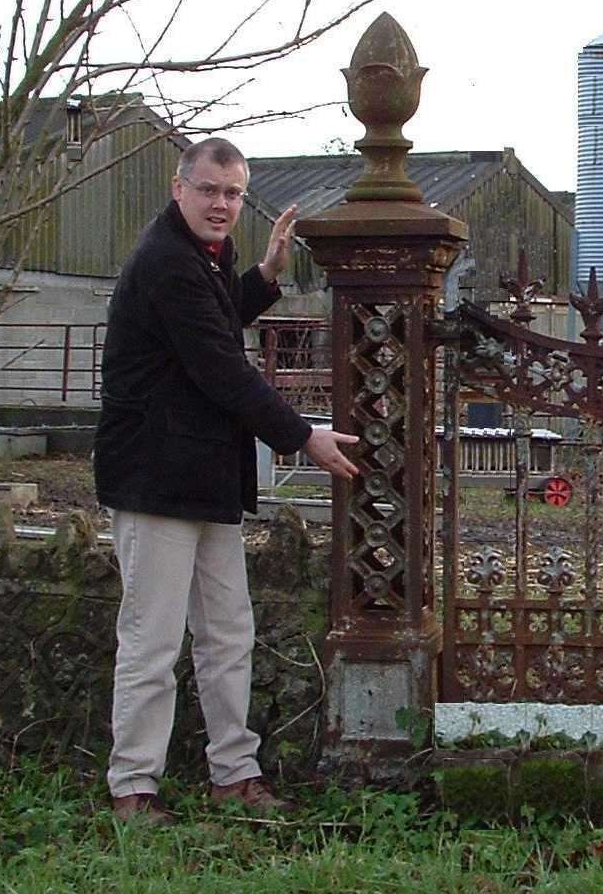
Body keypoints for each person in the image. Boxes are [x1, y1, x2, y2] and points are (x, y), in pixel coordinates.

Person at [94, 136, 359, 824]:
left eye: (233, 193)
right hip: (156, 479)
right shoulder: (167, 264)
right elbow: (218, 365)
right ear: (178, 188)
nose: (221, 204)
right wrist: (302, 436)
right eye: (209, 189)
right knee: (152, 640)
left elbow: (209, 329)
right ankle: (132, 787)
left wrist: (266, 277)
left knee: (227, 632)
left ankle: (234, 772)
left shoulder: (202, 258)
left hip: (203, 476)